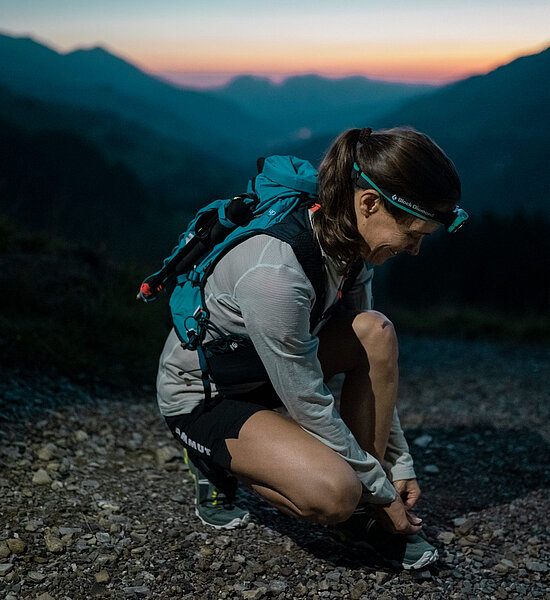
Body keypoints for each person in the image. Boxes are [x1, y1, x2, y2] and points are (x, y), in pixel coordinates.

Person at [156, 126, 464, 570]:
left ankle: (363, 512)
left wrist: (398, 465)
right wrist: (377, 490)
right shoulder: (275, 275)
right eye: (413, 233)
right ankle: (212, 457)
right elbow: (309, 401)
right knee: (333, 492)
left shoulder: (350, 243)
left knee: (375, 331)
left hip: (266, 371)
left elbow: (371, 359)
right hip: (207, 394)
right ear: (370, 203)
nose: (415, 249)